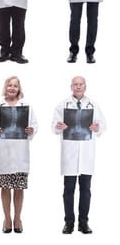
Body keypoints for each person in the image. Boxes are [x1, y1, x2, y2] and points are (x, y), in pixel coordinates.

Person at [52, 76, 106, 234]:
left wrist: (97, 127)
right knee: (68, 190)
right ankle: (69, 223)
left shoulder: (93, 105)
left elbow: (103, 125)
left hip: (86, 154)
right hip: (69, 153)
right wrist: (58, 126)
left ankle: (84, 223)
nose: (78, 87)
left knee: (86, 190)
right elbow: (53, 126)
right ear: (71, 87)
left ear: (85, 86)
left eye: (80, 84)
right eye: (75, 84)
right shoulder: (63, 105)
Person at [0, 76, 38, 233]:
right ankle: (7, 219)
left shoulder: (26, 106)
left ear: (19, 89)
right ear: (5, 87)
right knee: (6, 187)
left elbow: (34, 125)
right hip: (4, 151)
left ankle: (17, 219)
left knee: (19, 188)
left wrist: (31, 130)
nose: (12, 88)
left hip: (20, 151)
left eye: (15, 86)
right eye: (9, 85)